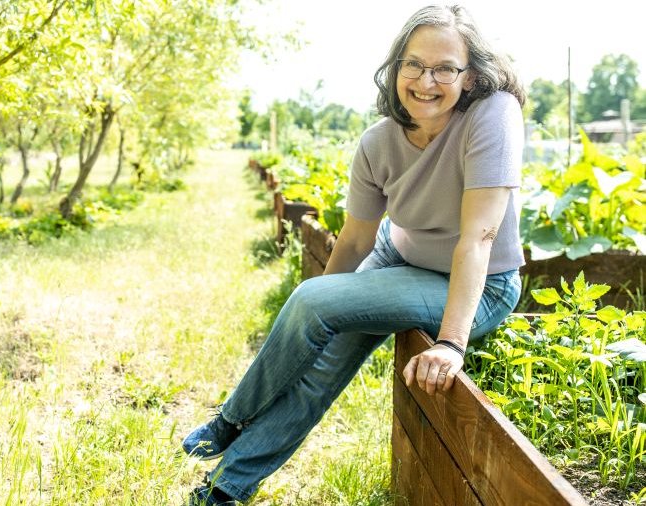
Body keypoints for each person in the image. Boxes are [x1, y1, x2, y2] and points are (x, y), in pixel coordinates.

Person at [183, 4, 527, 505]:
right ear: (395, 68)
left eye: (445, 68)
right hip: (397, 257)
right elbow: (357, 240)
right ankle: (228, 486)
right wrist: (329, 305)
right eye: (414, 64)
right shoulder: (378, 141)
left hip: (480, 284)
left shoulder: (493, 116)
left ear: (470, 77)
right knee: (325, 355)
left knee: (313, 302)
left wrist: (451, 344)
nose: (426, 80)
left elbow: (478, 238)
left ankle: (231, 420)